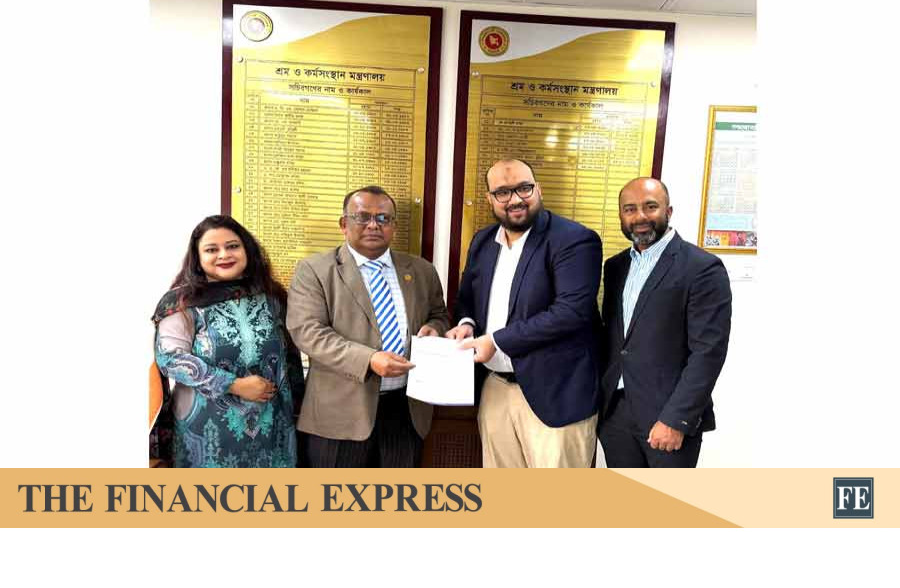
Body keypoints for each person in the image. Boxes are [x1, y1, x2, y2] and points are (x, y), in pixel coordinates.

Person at [447, 158, 603, 468]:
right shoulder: (483, 241)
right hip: (495, 388)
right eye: (503, 192)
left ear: (538, 189)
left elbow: (571, 312)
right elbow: (467, 299)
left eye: (524, 188)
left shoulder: (574, 239)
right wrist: (466, 323)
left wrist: (496, 340)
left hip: (556, 395)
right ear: (490, 198)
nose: (515, 199)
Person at [287, 186, 450, 467]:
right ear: (344, 224)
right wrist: (369, 359)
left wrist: (435, 329)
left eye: (383, 218)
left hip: (405, 411)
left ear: (393, 226)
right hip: (340, 414)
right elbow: (308, 332)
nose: (374, 225)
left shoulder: (422, 270)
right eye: (362, 217)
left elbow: (439, 315)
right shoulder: (314, 270)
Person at [598, 177, 732, 468]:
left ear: (668, 212)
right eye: (630, 209)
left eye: (650, 207)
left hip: (666, 418)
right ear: (621, 215)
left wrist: (676, 419)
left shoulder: (702, 268)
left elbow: (708, 353)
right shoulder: (615, 266)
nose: (640, 217)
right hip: (616, 415)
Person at [152, 215, 302, 468]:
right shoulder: (182, 302)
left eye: (232, 246)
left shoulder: (271, 295)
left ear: (247, 250)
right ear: (198, 258)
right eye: (212, 249)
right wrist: (233, 384)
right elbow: (170, 359)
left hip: (273, 425)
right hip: (207, 429)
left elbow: (290, 356)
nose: (224, 255)